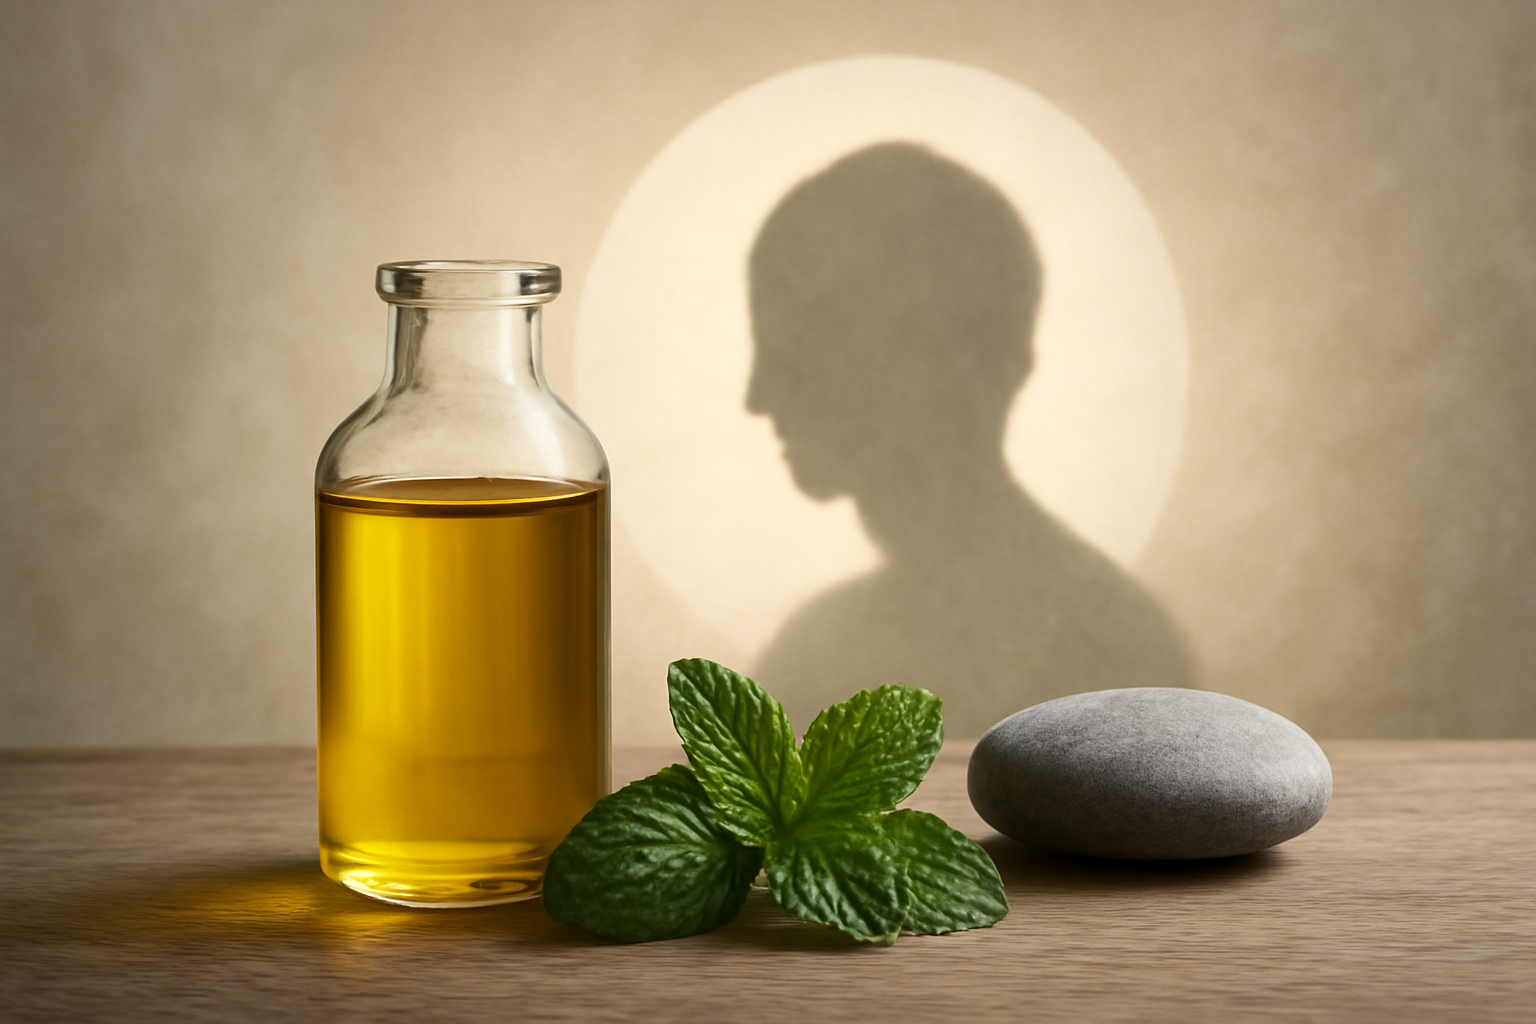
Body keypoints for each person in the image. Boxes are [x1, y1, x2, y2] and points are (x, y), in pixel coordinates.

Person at [746, 142, 1199, 737]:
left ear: (940, 357)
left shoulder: (1111, 651)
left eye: (801, 348)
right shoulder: (814, 649)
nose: (757, 396)